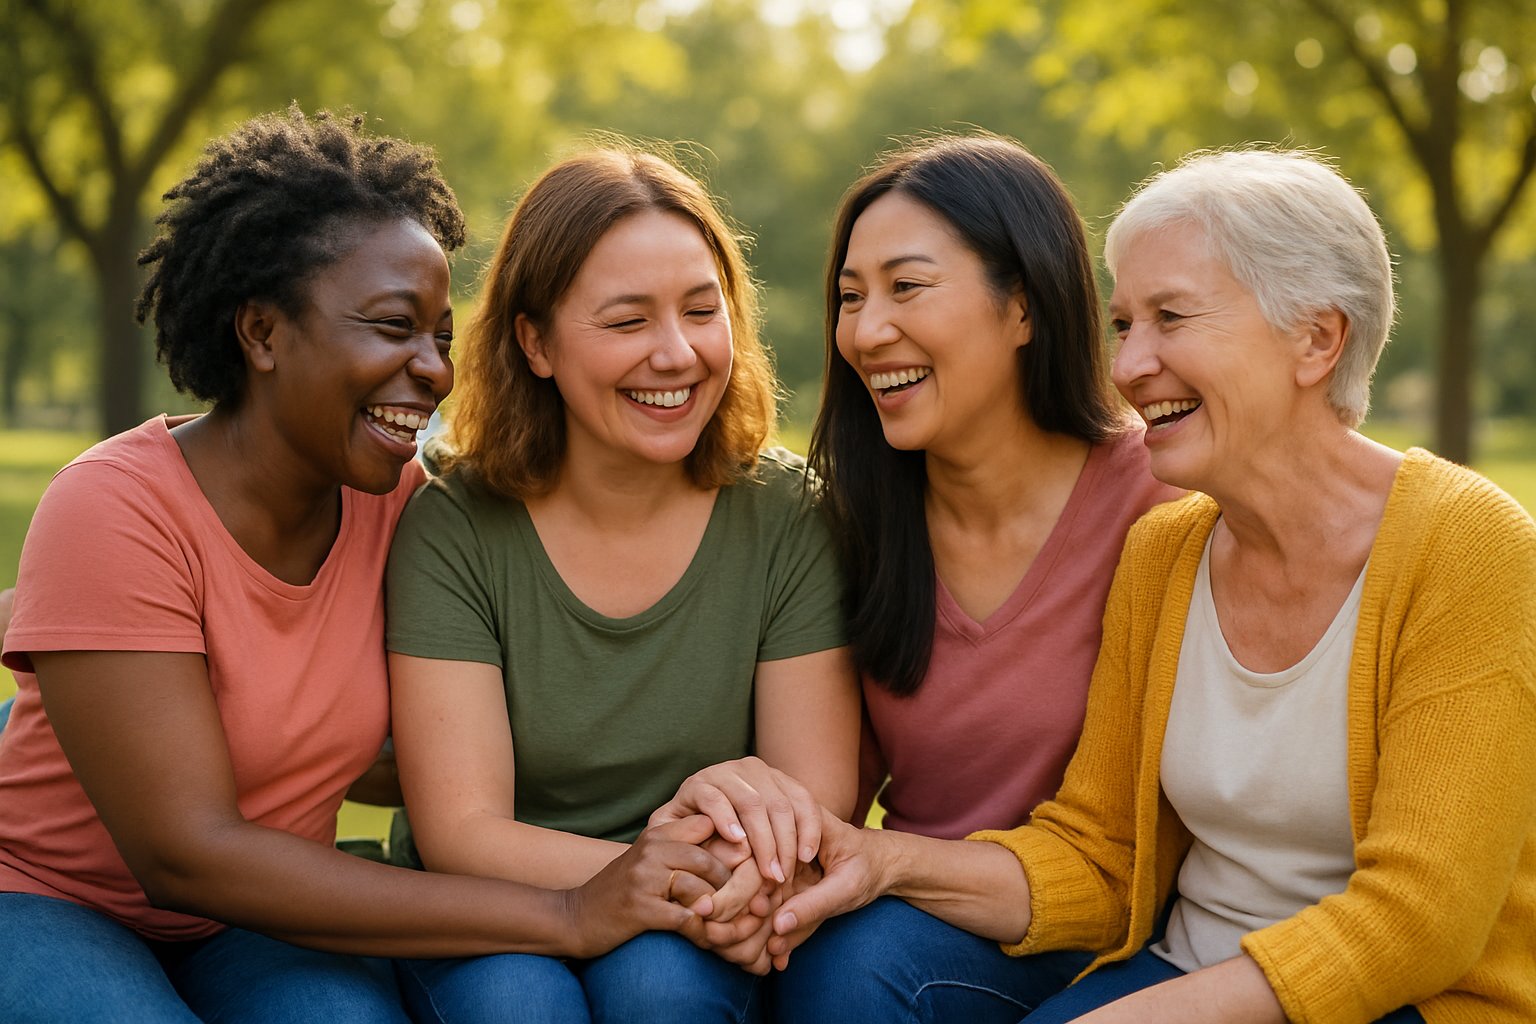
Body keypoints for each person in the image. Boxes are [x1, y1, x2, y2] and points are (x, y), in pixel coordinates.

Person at [0, 108, 737, 1024]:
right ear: (262, 333)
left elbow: (401, 744)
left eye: (438, 335)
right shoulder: (113, 507)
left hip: (265, 917)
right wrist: (567, 911)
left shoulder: (398, 509)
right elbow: (185, 853)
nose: (430, 368)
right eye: (393, 327)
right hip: (48, 900)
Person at [769, 149, 1536, 1023]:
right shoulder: (1167, 548)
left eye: (1170, 318)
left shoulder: (1469, 545)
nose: (1131, 366)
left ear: (1317, 339)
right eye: (1125, 324)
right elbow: (1103, 857)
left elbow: (1418, 920)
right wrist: (888, 862)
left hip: (1406, 1003)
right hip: (1177, 968)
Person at [383, 143, 860, 1023]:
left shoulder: (787, 513)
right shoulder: (455, 525)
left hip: (702, 913)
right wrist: (651, 871)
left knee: (661, 995)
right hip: (496, 907)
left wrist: (695, 885)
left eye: (700, 311)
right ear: (535, 343)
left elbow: (815, 793)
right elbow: (462, 833)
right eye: (627, 321)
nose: (676, 355)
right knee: (516, 1008)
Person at [761, 134, 1181, 1022]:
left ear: (1022, 306)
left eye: (907, 287)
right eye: (849, 298)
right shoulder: (855, 527)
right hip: (922, 928)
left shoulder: (1161, 502)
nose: (868, 332)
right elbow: (826, 793)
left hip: (1120, 942)